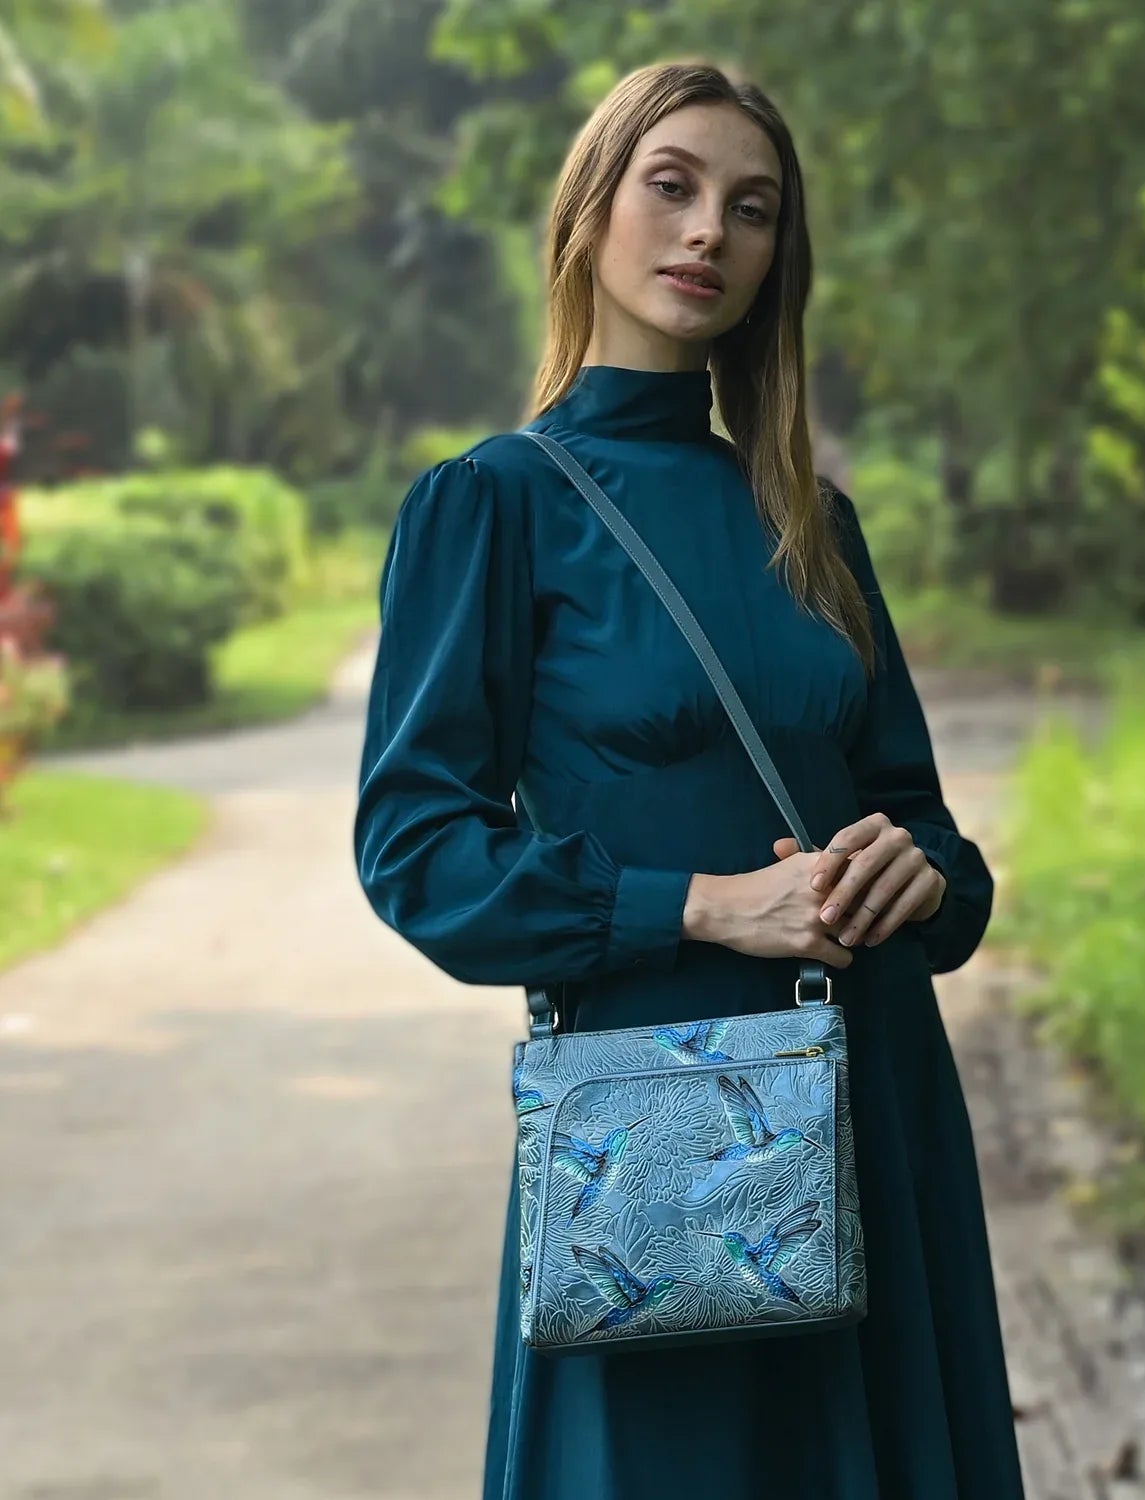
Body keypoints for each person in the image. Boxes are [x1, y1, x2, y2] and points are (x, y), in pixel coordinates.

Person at [353, 58, 1028, 1500]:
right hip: (659, 1125)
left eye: (752, 207)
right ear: (589, 210)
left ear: (780, 256)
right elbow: (419, 855)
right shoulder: (493, 505)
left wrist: (925, 875)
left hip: (874, 1088)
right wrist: (704, 905)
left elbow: (931, 834)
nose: (710, 229)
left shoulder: (812, 522)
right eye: (672, 187)